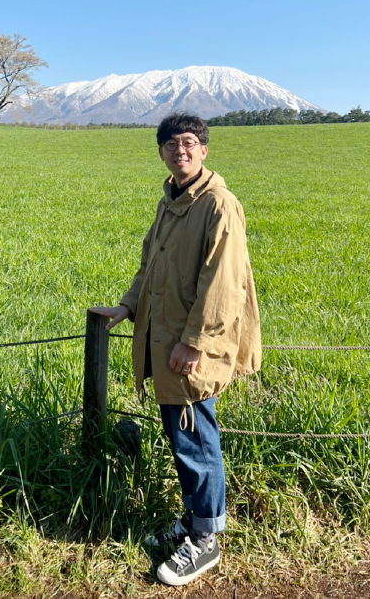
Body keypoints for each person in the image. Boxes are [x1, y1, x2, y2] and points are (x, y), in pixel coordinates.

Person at [89, 112, 261, 587]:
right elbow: (150, 266)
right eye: (171, 144)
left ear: (204, 150)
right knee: (182, 438)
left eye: (189, 142)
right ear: (161, 152)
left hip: (191, 348)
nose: (180, 150)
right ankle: (193, 522)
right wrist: (126, 306)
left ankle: (206, 541)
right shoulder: (170, 203)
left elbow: (222, 287)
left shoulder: (219, 205)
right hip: (166, 339)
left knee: (196, 440)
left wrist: (194, 344)